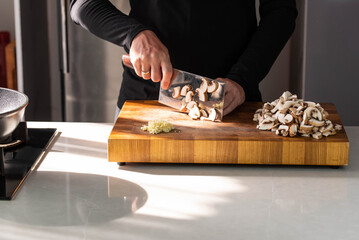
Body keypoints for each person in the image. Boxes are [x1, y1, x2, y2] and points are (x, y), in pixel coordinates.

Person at [69, 0, 297, 117]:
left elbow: (281, 11)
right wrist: (134, 35)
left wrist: (242, 80)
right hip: (148, 101)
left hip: (233, 101)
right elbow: (83, 4)